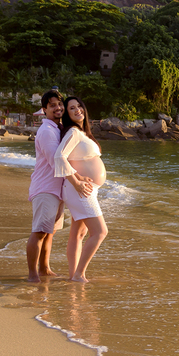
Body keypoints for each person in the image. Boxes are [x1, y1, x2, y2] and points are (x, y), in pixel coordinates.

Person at [54, 96, 108, 282]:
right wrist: (76, 182)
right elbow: (59, 157)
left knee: (79, 233)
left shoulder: (82, 133)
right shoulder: (74, 132)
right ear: (68, 114)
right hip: (79, 189)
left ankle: (73, 275)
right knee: (100, 232)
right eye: (72, 108)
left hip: (86, 189)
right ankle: (79, 274)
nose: (78, 110)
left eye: (79, 107)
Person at [26, 89, 67, 282]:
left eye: (59, 104)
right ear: (44, 109)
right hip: (45, 189)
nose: (57, 108)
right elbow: (55, 160)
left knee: (50, 232)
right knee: (40, 232)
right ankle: (33, 274)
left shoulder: (59, 129)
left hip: (56, 189)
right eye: (52, 105)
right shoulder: (47, 131)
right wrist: (77, 181)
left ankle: (44, 268)